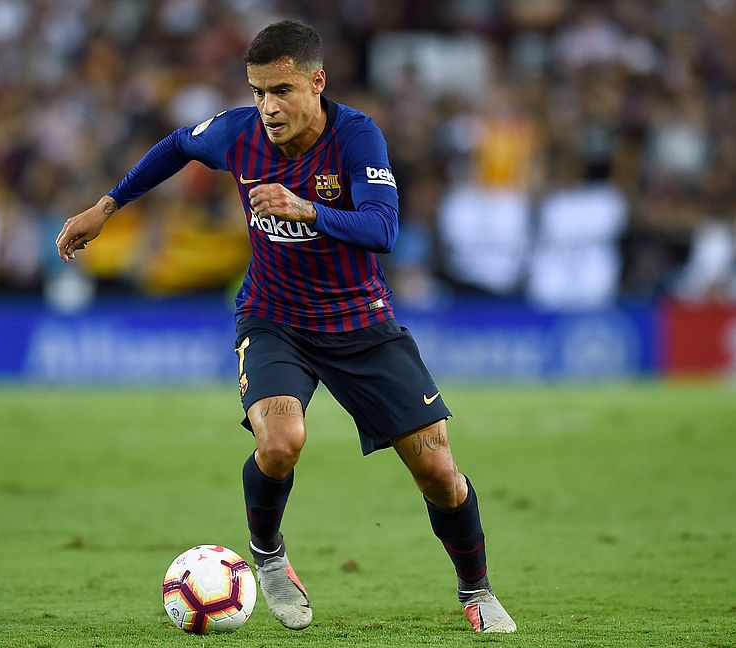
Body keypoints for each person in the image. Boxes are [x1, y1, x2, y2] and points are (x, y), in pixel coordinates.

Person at [56, 20, 516, 634]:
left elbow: (383, 229)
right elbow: (177, 145)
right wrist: (106, 206)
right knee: (279, 442)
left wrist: (307, 209)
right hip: (274, 317)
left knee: (437, 469)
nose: (268, 107)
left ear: (316, 83)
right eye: (257, 92)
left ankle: (477, 589)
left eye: (281, 91)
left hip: (359, 320)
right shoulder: (238, 134)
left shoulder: (357, 137)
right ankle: (268, 556)